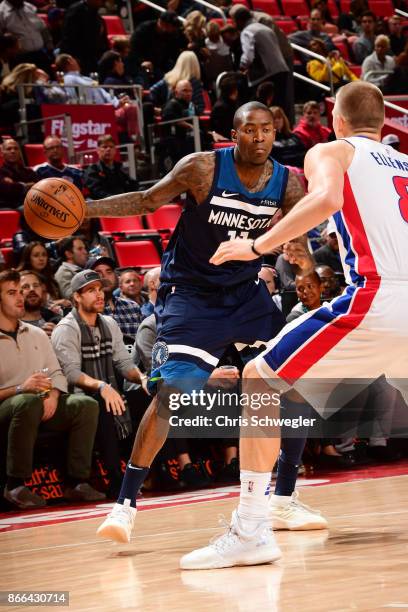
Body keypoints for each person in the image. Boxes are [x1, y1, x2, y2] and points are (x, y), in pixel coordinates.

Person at [188, 81, 408, 569]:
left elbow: (326, 200)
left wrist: (255, 246)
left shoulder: (332, 150)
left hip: (380, 295)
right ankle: (280, 500)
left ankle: (251, 529)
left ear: (338, 119)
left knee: (261, 379)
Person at [85, 101, 326, 545]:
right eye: (249, 130)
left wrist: (307, 266)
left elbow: (298, 236)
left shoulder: (287, 183)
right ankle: (124, 507)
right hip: (191, 296)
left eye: (267, 130)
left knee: (291, 382)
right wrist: (86, 208)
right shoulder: (201, 168)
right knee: (173, 395)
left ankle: (283, 499)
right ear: (233, 135)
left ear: (276, 133)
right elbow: (145, 200)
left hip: (245, 295)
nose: (258, 138)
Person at [0, 269, 104, 509]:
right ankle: (15, 485)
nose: (20, 297)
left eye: (20, 292)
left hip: (41, 405)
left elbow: (57, 374)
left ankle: (76, 483)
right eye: (12, 292)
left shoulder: (36, 333)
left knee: (85, 405)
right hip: (10, 408)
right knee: (27, 401)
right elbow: (23, 395)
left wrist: (55, 396)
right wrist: (19, 389)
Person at [51, 269, 148, 498]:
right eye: (91, 291)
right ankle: (116, 479)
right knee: (103, 404)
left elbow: (124, 362)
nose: (99, 295)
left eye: (100, 289)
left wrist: (142, 378)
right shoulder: (66, 329)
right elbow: (72, 374)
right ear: (76, 297)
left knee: (147, 397)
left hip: (108, 392)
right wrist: (103, 387)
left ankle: (154, 472)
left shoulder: (109, 323)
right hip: (75, 397)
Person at [86, 256, 142, 344]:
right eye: (98, 272)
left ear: (116, 276)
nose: (105, 276)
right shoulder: (87, 310)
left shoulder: (132, 307)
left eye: (109, 272)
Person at [59, 0, 108, 75]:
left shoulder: (95, 13)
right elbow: (69, 37)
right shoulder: (75, 11)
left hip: (92, 57)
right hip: (78, 58)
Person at [84, 135, 139, 200]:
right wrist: (116, 199)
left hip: (122, 203)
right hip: (104, 206)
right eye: (104, 147)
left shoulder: (120, 168)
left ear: (115, 150)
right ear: (98, 150)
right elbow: (97, 192)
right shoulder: (93, 170)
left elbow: (131, 185)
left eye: (111, 147)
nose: (108, 149)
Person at [20, 269, 61, 336]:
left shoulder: (57, 320)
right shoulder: (11, 325)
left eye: (36, 285)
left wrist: (58, 335)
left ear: (42, 289)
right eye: (25, 287)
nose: (32, 289)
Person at [0, 138, 37, 210]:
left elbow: (38, 187)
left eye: (16, 148)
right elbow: (7, 189)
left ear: (20, 152)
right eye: (9, 149)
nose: (13, 151)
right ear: (2, 153)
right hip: (8, 207)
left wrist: (15, 185)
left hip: (29, 204)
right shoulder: (1, 172)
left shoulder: (29, 171)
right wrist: (26, 186)